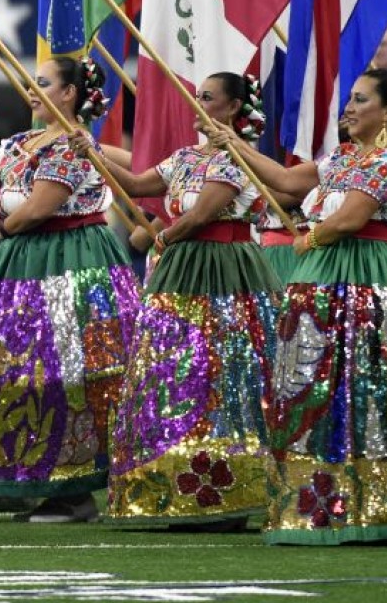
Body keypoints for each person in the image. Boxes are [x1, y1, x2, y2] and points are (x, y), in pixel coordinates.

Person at [211, 66, 387, 545]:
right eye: (349, 99)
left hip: (370, 277)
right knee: (320, 390)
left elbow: (351, 217)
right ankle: (328, 500)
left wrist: (313, 235)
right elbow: (287, 182)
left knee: (375, 386)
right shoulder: (345, 156)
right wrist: (234, 144)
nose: (349, 108)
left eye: (361, 100)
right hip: (326, 278)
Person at [86, 73, 282, 530]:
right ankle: (181, 488)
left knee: (225, 376)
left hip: (226, 271)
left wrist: (164, 236)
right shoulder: (185, 157)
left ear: (233, 109)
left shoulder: (238, 161)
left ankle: (230, 491)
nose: (198, 104)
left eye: (208, 98)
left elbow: (200, 215)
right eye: (197, 96)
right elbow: (135, 185)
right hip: (180, 268)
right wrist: (91, 153)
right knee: (175, 373)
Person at [0, 58, 139, 523]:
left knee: (67, 369)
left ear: (69, 94)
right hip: (23, 263)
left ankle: (77, 489)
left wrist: (2, 225)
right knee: (15, 372)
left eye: (42, 83)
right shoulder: (18, 141)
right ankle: (48, 481)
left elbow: (40, 207)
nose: (31, 90)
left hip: (68, 260)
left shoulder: (74, 147)